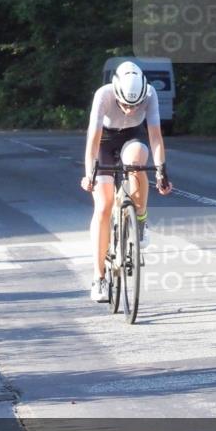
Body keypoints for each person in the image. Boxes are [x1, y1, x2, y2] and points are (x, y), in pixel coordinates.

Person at [80, 61, 172, 303]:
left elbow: (155, 137)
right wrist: (89, 174)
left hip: (132, 137)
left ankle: (140, 219)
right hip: (104, 142)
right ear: (116, 91)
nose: (130, 110)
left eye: (135, 105)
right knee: (103, 205)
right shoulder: (103, 96)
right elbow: (92, 140)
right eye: (124, 105)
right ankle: (99, 277)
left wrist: (162, 171)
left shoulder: (150, 94)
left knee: (137, 161)